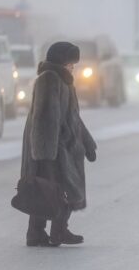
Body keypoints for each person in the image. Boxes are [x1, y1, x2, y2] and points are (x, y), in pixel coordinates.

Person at [20, 41, 97, 247]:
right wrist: (45, 154)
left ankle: (42, 232)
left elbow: (72, 117)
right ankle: (52, 231)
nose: (73, 67)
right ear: (62, 62)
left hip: (60, 147)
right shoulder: (50, 80)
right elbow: (44, 117)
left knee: (50, 190)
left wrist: (88, 143)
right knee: (54, 190)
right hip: (51, 149)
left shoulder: (64, 82)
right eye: (71, 63)